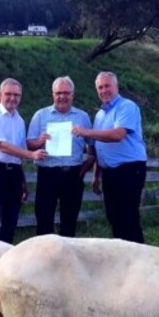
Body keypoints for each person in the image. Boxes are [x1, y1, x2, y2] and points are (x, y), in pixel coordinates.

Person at [72, 71, 147, 243]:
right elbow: (100, 147)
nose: (104, 90)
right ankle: (121, 258)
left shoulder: (126, 107)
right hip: (109, 173)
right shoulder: (100, 115)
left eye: (107, 86)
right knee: (113, 216)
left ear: (116, 87)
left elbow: (117, 134)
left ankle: (137, 259)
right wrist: (96, 175)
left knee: (128, 217)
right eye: (100, 87)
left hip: (129, 170)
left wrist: (86, 131)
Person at [0, 78, 47, 243]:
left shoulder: (20, 121)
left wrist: (22, 180)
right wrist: (31, 155)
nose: (12, 98)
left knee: (11, 220)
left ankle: (7, 259)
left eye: (16, 95)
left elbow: (18, 152)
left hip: (14, 172)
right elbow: (2, 145)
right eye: (8, 94)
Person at [27, 76, 94, 237]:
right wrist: (39, 141)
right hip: (47, 174)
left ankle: (67, 259)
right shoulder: (41, 115)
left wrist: (85, 168)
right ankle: (44, 258)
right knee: (44, 218)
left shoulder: (82, 117)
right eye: (58, 93)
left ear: (73, 94)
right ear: (52, 94)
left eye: (66, 93)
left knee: (70, 220)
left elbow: (92, 145)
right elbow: (29, 144)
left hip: (73, 174)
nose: (62, 96)